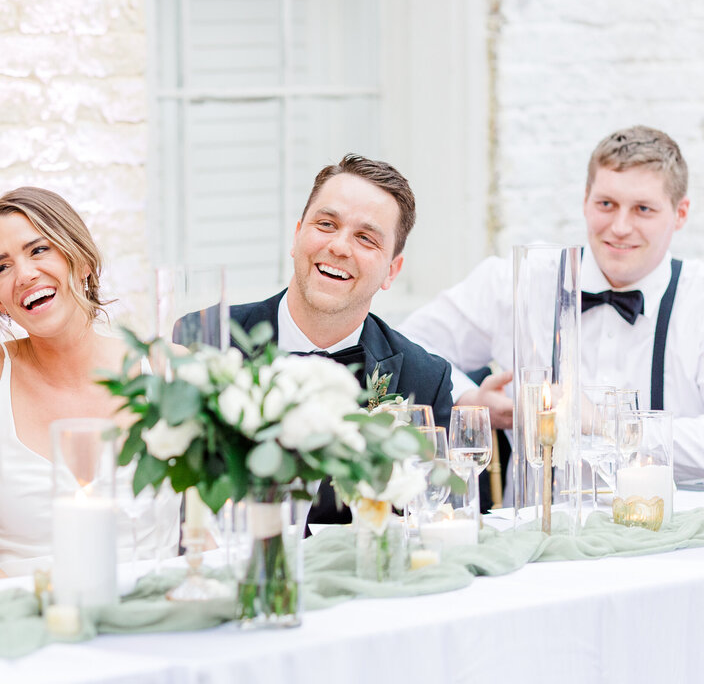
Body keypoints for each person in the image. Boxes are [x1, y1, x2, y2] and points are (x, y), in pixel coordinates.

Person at [401, 125, 704, 484]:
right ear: (585, 200)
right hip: (535, 531)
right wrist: (466, 398)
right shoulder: (518, 279)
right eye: (606, 204)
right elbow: (405, 347)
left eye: (643, 209)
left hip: (674, 537)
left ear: (681, 213)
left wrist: (611, 425)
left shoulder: (696, 299)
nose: (620, 227)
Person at [0, 187, 180, 578]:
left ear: (81, 259)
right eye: (1, 268)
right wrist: (33, 613)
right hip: (31, 621)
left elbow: (213, 524)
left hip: (157, 613)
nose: (24, 275)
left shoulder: (168, 369)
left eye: (39, 250)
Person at [229, 155, 455, 524]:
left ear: (391, 270)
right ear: (298, 234)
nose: (339, 247)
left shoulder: (424, 380)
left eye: (365, 238)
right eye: (326, 224)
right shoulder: (208, 344)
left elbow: (432, 521)